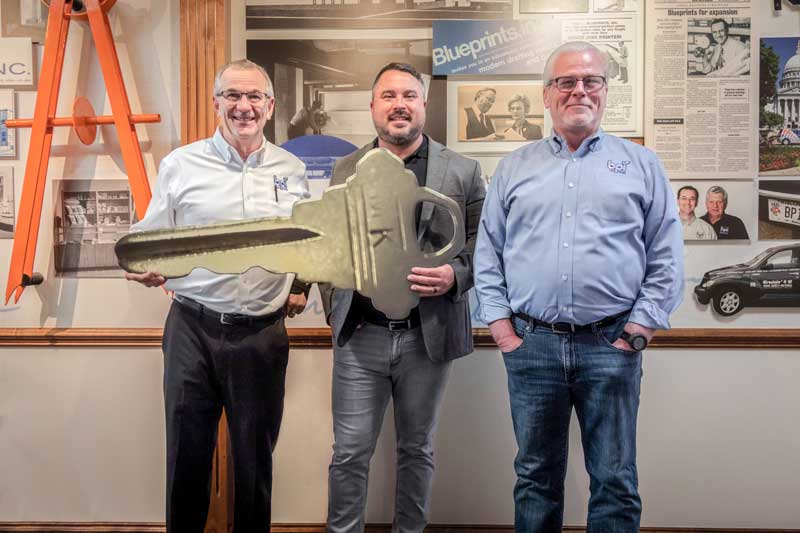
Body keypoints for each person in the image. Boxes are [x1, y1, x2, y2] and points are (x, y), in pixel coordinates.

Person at [474, 41, 684, 533]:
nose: (579, 90)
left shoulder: (641, 165)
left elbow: (667, 256)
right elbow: (488, 253)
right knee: (535, 476)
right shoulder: (514, 167)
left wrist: (638, 331)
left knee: (613, 479)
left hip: (610, 345)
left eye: (591, 81)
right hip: (532, 346)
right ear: (546, 95)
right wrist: (503, 329)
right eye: (566, 81)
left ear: (606, 92)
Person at [125, 59, 310, 533]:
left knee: (254, 464)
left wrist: (300, 286)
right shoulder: (180, 164)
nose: (242, 107)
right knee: (187, 459)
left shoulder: (292, 169)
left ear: (270, 106)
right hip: (193, 328)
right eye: (232, 95)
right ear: (216, 103)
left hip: (262, 333)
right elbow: (148, 238)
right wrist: (142, 264)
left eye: (253, 97)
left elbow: (310, 241)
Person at [320, 62, 485, 533]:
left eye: (409, 96)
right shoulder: (346, 169)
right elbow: (331, 244)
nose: (399, 104)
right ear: (373, 107)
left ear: (423, 106)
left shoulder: (464, 170)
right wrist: (336, 306)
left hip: (426, 339)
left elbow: (486, 246)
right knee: (349, 451)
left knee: (417, 449)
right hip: (361, 336)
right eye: (389, 96)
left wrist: (455, 275)